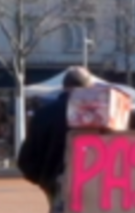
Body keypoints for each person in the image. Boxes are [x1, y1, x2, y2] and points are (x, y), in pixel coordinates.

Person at [16, 66, 98, 200]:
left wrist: (45, 182)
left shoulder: (43, 114)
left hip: (54, 184)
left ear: (64, 86)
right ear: (88, 88)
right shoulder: (98, 116)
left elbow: (26, 160)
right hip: (93, 188)